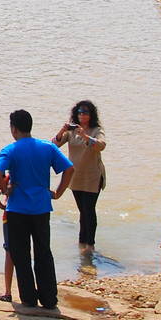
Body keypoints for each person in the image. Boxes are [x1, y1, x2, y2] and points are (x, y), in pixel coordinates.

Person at [0, 109, 72, 311]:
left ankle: (28, 297)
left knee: (21, 254)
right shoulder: (47, 147)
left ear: (14, 128)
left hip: (17, 208)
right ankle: (49, 298)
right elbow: (69, 169)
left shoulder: (10, 149)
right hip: (41, 207)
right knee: (43, 252)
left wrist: (4, 188)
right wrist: (58, 192)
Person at [53, 100, 107, 254]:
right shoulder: (71, 132)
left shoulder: (96, 130)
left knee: (89, 210)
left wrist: (86, 136)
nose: (82, 115)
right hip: (75, 176)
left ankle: (90, 244)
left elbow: (101, 145)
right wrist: (61, 130)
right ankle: (82, 242)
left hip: (93, 176)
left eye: (86, 112)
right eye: (80, 112)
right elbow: (54, 145)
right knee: (82, 211)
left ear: (91, 115)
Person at [0, 187, 14, 301]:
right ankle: (27, 291)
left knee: (9, 252)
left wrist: (3, 206)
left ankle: (8, 291)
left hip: (10, 214)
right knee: (24, 251)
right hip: (32, 213)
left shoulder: (8, 177)